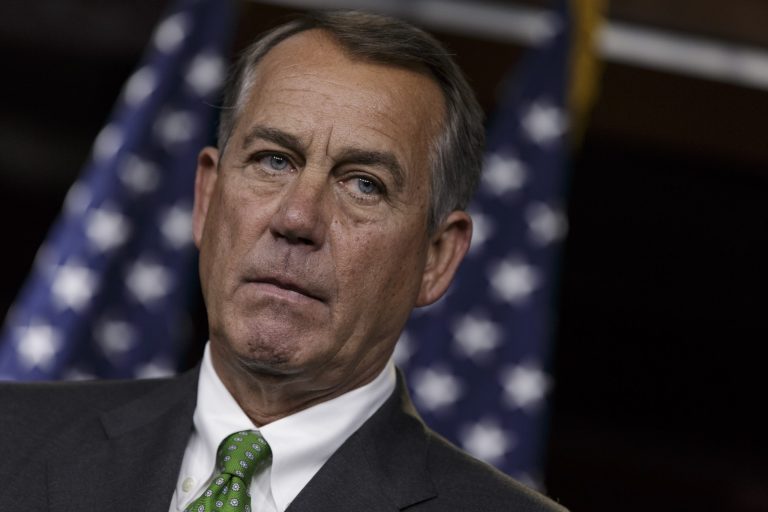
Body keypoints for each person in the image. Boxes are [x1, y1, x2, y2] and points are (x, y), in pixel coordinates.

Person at [0, 10, 567, 512]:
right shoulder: (12, 441)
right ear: (205, 199)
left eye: (364, 185)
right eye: (274, 160)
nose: (297, 218)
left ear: (436, 259)